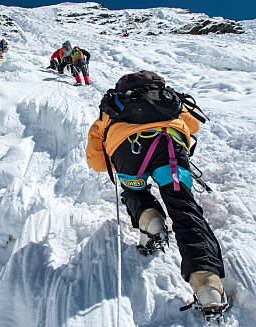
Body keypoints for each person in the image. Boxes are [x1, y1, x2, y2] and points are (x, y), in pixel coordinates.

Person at [86, 71, 226, 316]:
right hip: (169, 146)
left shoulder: (111, 106)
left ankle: (150, 222)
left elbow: (97, 162)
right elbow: (192, 125)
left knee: (135, 192)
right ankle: (207, 286)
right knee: (183, 206)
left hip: (128, 152)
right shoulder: (168, 98)